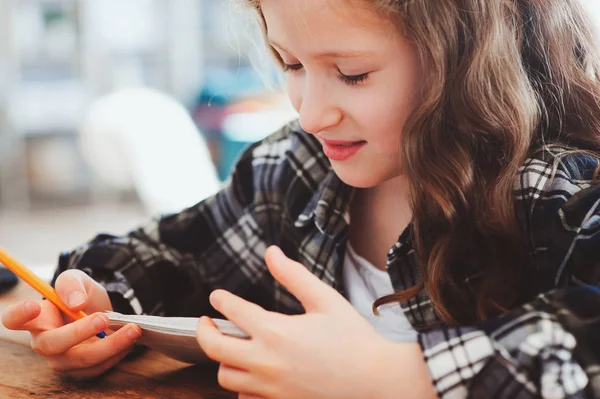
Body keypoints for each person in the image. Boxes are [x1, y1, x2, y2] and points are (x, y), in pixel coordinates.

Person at [3, 0, 600, 397]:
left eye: (353, 73)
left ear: (468, 59)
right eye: (289, 62)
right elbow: (171, 253)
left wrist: (397, 378)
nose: (311, 113)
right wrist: (97, 304)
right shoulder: (298, 168)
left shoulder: (559, 187)